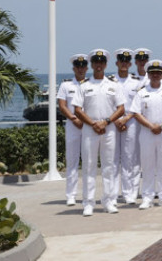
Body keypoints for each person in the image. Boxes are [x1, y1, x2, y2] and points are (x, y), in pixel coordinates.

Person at [72, 48, 125, 216]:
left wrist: (106, 122)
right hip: (90, 129)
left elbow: (121, 108)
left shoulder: (113, 85)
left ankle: (109, 201)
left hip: (108, 129)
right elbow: (77, 109)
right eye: (96, 62)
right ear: (92, 64)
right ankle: (88, 203)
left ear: (106, 64)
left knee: (109, 166)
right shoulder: (84, 86)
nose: (99, 65)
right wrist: (93, 124)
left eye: (101, 62)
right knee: (89, 166)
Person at [130, 59, 162, 209]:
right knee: (148, 166)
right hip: (147, 133)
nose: (155, 75)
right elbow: (136, 113)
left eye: (158, 73)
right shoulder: (142, 92)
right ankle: (147, 197)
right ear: (148, 74)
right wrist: (151, 126)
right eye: (152, 73)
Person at [57, 54, 88, 206]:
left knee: (89, 162)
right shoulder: (66, 85)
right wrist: (74, 118)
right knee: (72, 161)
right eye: (78, 66)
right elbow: (62, 105)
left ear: (87, 68)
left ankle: (88, 194)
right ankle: (71, 195)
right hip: (72, 125)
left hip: (88, 125)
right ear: (74, 68)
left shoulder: (91, 84)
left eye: (83, 66)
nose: (80, 69)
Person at [112, 48, 142, 205]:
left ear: (130, 64)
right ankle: (112, 193)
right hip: (113, 123)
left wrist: (126, 119)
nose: (124, 64)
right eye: (121, 61)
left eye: (126, 62)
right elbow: (108, 103)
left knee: (130, 158)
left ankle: (129, 192)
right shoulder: (110, 81)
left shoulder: (136, 82)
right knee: (112, 159)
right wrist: (117, 120)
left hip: (131, 122)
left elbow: (138, 105)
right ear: (116, 63)